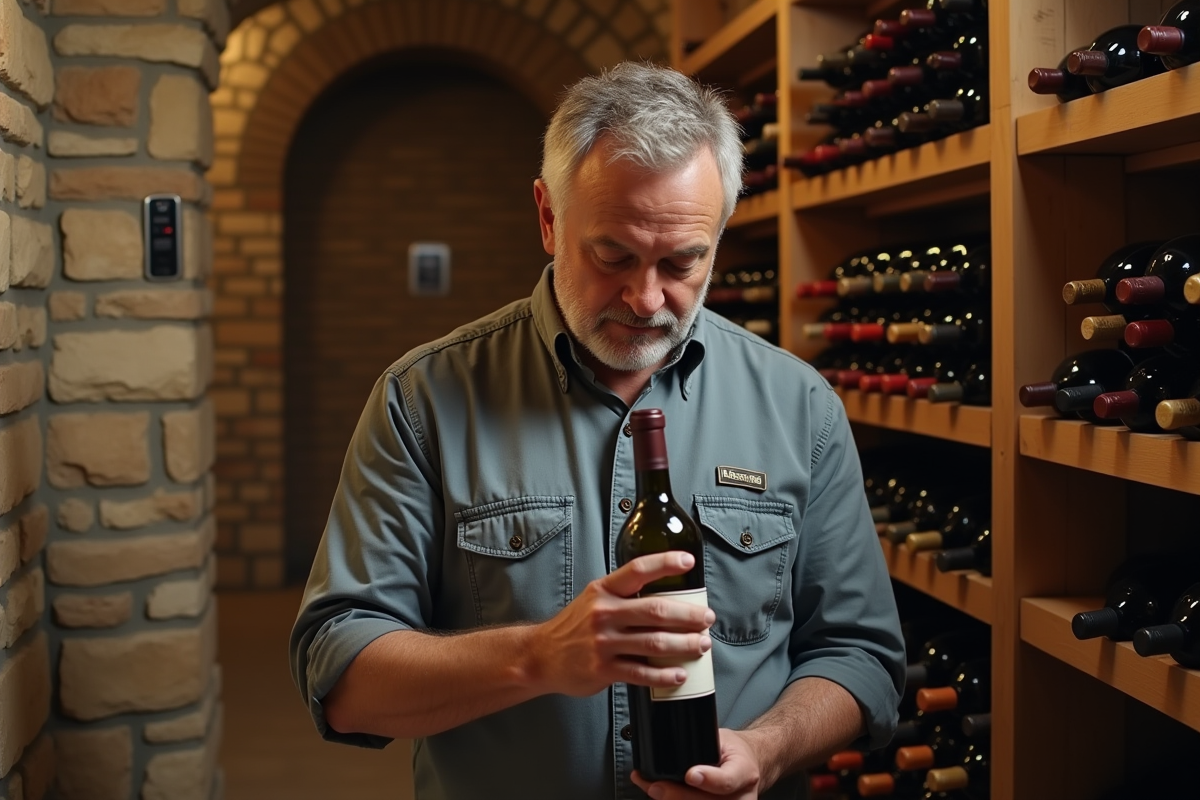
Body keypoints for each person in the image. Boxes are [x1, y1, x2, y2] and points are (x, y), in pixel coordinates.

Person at [289, 61, 905, 800]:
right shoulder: (420, 400)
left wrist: (769, 750)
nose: (647, 299)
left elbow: (860, 655)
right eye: (613, 256)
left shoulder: (799, 406)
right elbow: (341, 674)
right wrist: (538, 657)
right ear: (549, 218)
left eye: (683, 262)